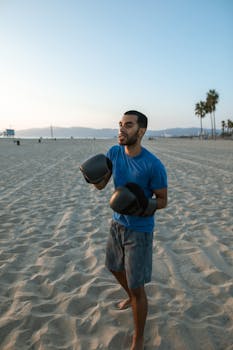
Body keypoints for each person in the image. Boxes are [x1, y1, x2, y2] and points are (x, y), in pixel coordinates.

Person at [80, 110, 167, 350]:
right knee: (113, 267)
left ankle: (138, 338)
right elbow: (102, 186)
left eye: (128, 125)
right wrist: (92, 177)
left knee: (138, 286)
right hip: (117, 224)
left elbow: (162, 200)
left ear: (141, 131)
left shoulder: (153, 165)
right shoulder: (114, 153)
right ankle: (131, 296)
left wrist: (141, 204)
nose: (121, 128)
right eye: (120, 124)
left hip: (139, 230)